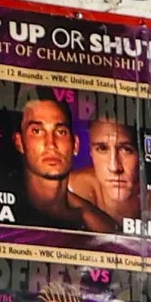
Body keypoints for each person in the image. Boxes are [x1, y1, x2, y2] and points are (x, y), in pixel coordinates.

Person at [12, 89, 115, 234]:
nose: (51, 144)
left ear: (76, 144)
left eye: (61, 132)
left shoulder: (98, 225)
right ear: (19, 142)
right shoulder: (1, 209)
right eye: (37, 131)